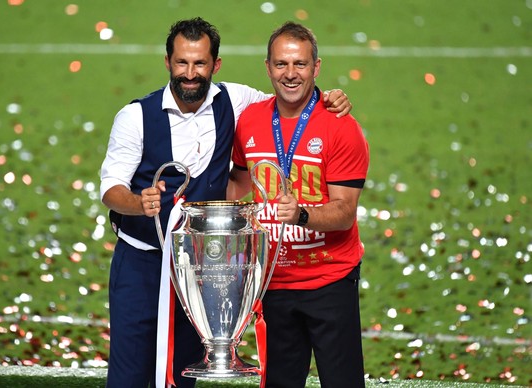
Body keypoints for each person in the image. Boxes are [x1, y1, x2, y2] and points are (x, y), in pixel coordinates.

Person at [100, 17, 352, 388]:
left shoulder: (237, 100)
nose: (190, 73)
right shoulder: (134, 116)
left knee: (186, 369)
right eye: (182, 62)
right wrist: (139, 203)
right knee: (130, 372)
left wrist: (330, 96)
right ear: (167, 61)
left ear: (215, 65)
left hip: (201, 265)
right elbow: (110, 190)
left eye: (200, 63)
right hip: (143, 262)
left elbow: (291, 92)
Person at [227, 21, 370, 387]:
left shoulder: (341, 127)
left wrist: (302, 214)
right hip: (274, 282)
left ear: (316, 68)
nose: (290, 74)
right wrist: (193, 208)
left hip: (329, 280)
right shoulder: (250, 120)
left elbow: (344, 213)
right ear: (268, 67)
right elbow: (240, 182)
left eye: (300, 64)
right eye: (281, 64)